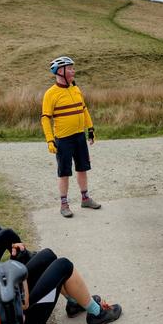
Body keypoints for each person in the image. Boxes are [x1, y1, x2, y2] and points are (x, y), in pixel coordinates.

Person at [0, 209, 122, 324]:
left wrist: (18, 260)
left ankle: (74, 302)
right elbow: (23, 303)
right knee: (63, 265)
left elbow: (3, 240)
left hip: (5, 320)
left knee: (47, 255)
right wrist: (19, 269)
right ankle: (96, 313)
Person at [41, 56, 100, 218]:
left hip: (79, 136)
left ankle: (85, 198)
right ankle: (64, 204)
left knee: (83, 168)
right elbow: (45, 118)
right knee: (64, 172)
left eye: (73, 68)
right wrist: (50, 140)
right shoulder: (50, 94)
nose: (73, 70)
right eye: (70, 68)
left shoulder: (75, 88)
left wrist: (90, 129)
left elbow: (84, 108)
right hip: (63, 139)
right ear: (61, 71)